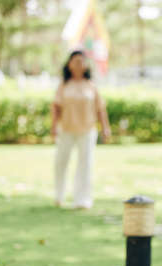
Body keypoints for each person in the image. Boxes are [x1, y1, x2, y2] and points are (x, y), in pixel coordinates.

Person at [51, 50, 111, 209]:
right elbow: (56, 107)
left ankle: (82, 199)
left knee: (85, 164)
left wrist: (105, 128)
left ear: (86, 65)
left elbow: (100, 109)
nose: (78, 64)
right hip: (66, 129)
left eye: (81, 61)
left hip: (87, 130)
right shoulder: (63, 86)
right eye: (75, 61)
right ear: (69, 65)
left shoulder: (91, 86)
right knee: (61, 162)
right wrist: (53, 126)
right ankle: (59, 195)